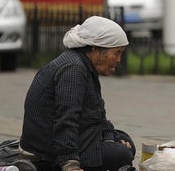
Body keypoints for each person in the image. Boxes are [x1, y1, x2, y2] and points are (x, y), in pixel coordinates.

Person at [18, 16, 136, 171]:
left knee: (124, 140)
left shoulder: (84, 65)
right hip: (48, 155)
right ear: (95, 49)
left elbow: (98, 114)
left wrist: (109, 140)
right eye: (117, 52)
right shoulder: (73, 70)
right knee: (122, 155)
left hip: (77, 136)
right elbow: (66, 121)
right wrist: (70, 164)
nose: (119, 59)